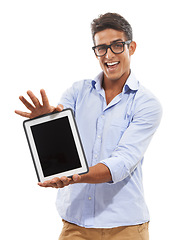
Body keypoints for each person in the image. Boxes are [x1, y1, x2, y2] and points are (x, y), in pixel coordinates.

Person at [15, 12, 162, 240]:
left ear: (131, 47)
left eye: (116, 46)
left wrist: (76, 177)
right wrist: (45, 122)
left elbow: (123, 162)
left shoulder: (146, 103)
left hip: (126, 227)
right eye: (101, 48)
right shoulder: (78, 91)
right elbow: (61, 141)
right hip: (76, 224)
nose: (108, 55)